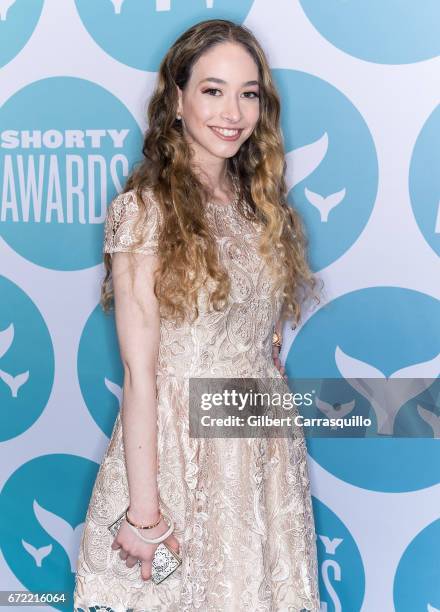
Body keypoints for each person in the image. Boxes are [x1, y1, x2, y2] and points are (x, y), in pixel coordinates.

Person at [74, 18, 321, 612]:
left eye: (248, 92)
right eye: (212, 90)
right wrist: (145, 514)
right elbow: (141, 374)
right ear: (176, 100)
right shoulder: (143, 212)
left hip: (259, 447)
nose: (232, 111)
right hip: (181, 455)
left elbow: (263, 347)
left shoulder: (261, 206)